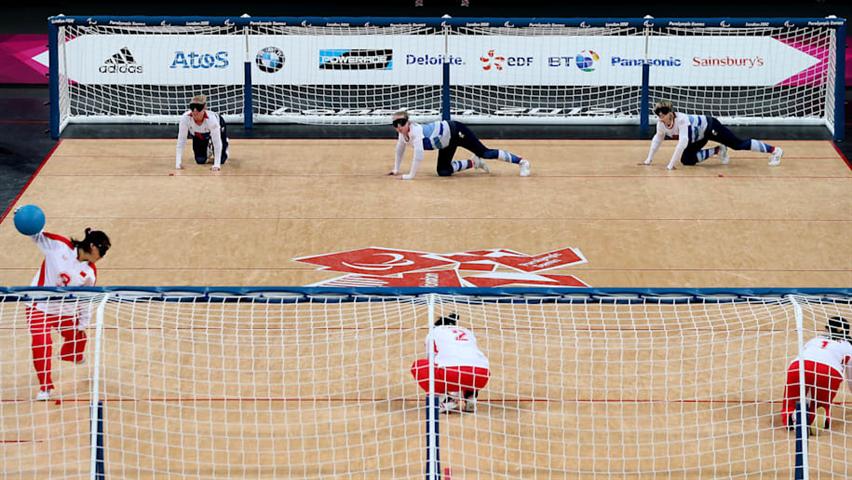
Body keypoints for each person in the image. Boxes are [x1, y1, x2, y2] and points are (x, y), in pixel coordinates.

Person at [25, 225, 111, 401]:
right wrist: (26, 219)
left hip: (63, 310)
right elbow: (36, 235)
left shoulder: (89, 273)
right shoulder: (59, 245)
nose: (103, 257)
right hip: (38, 305)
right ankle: (46, 387)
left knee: (79, 337)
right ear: (93, 247)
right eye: (103, 252)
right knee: (42, 344)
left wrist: (83, 322)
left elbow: (86, 299)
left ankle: (72, 354)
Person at [641, 100, 783, 170]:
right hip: (698, 137)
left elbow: (682, 143)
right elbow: (657, 139)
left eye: (662, 114)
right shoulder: (661, 123)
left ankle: (775, 151)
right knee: (687, 160)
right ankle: (718, 150)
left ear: (670, 113)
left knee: (737, 145)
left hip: (710, 126)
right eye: (658, 115)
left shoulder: (682, 120)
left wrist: (670, 165)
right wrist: (648, 160)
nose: (660, 117)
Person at [389, 111, 530, 180]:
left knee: (485, 152)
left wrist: (410, 176)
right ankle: (474, 162)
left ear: (408, 122)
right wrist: (396, 169)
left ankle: (522, 162)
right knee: (443, 171)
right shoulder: (402, 135)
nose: (398, 127)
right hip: (445, 142)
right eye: (395, 124)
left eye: (401, 123)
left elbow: (418, 155)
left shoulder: (416, 131)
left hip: (456, 131)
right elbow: (399, 150)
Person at [780, 315, 852, 435]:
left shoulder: (814, 340)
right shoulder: (849, 347)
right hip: (829, 372)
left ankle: (792, 416)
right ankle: (821, 418)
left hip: (799, 366)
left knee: (791, 401)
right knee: (821, 404)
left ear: (827, 329)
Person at [410, 313, 490, 413]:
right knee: (470, 365)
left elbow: (432, 361)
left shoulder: (434, 332)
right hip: (481, 375)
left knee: (419, 366)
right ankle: (470, 397)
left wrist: (450, 394)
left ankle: (445, 400)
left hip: (452, 374)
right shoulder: (467, 332)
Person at [175, 94, 229, 172]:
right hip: (198, 134)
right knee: (200, 160)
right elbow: (181, 141)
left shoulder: (212, 120)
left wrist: (216, 164)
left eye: (198, 108)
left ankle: (225, 143)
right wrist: (178, 162)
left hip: (217, 129)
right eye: (192, 107)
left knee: (222, 160)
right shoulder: (185, 118)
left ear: (204, 108)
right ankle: (208, 148)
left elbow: (217, 143)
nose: (195, 111)